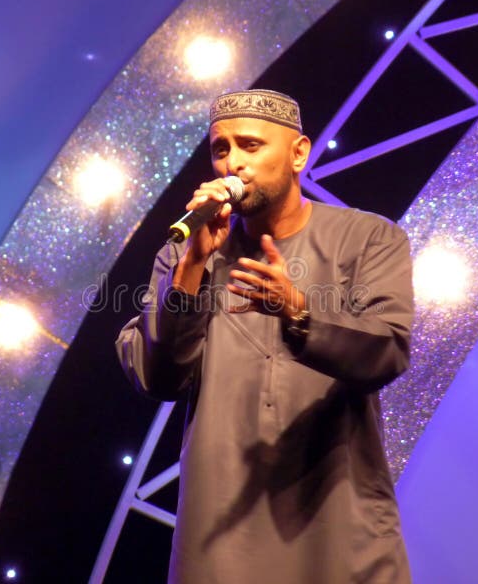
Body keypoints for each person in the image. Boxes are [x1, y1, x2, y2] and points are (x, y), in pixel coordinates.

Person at [116, 89, 414, 583]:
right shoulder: (184, 254)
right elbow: (157, 378)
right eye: (221, 149)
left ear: (299, 153)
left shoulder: (369, 238)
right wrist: (192, 269)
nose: (232, 163)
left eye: (251, 146)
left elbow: (387, 352)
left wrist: (298, 312)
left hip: (338, 517)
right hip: (221, 527)